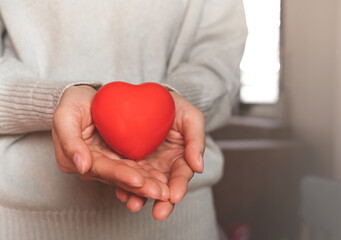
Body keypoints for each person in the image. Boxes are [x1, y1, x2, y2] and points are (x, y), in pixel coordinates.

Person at [0, 0, 247, 239]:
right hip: (21, 222)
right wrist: (52, 103)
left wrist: (174, 103)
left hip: (181, 217)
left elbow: (219, 67)